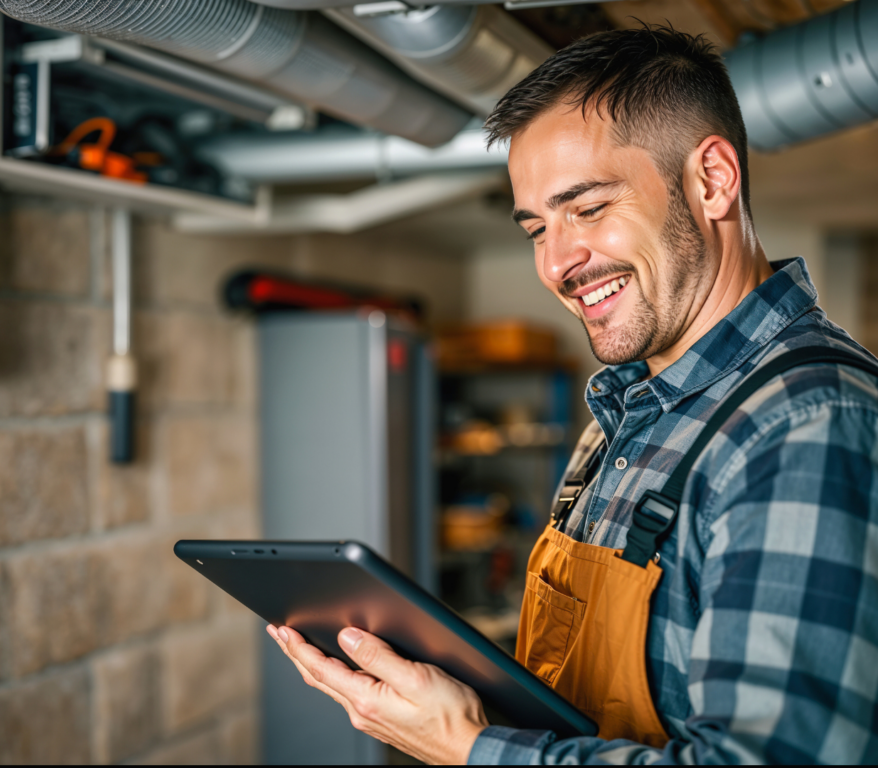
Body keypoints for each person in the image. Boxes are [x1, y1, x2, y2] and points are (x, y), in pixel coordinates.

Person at [266, 26, 878, 764]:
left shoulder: (803, 423)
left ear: (712, 180)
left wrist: (471, 749)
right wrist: (454, 703)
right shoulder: (625, 411)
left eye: (586, 208)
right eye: (536, 227)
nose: (557, 262)